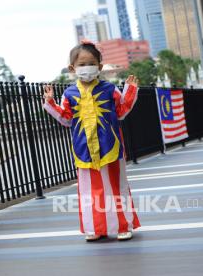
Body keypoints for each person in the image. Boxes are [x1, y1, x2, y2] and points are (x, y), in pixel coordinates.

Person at [43, 40, 141, 241]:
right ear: (72, 68)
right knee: (89, 190)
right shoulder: (69, 93)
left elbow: (121, 111)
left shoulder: (109, 89)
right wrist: (50, 102)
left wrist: (130, 91)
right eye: (81, 64)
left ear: (100, 66)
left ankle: (123, 225)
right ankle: (96, 227)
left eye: (90, 63)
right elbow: (66, 119)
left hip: (111, 146)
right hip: (83, 149)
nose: (86, 67)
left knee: (116, 186)